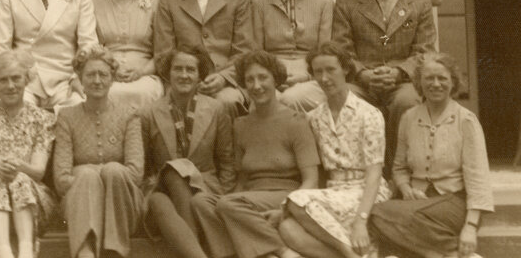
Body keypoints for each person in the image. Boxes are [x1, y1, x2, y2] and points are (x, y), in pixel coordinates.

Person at [191, 51, 321, 258]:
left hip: (285, 194)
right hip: (250, 196)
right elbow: (242, 178)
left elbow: (311, 181)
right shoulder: (241, 125)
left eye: (262, 77)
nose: (256, 85)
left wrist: (286, 209)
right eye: (249, 80)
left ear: (276, 80)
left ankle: (283, 252)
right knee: (201, 202)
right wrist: (235, 204)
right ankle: (248, 253)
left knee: (228, 204)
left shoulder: (296, 121)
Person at [371, 53, 493, 258]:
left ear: (453, 82)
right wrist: (405, 188)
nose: (435, 84)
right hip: (416, 200)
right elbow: (399, 167)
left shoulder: (466, 121)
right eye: (429, 78)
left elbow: (478, 178)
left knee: (380, 213)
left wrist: (471, 226)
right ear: (419, 82)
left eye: (442, 78)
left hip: (453, 201)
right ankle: (450, 254)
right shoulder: (409, 117)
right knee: (379, 216)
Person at [333, 0, 437, 169]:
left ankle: (400, 172)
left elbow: (425, 50)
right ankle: (356, 174)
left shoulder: (418, 2)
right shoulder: (346, 4)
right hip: (361, 81)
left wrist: (399, 72)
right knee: (345, 99)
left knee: (408, 101)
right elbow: (341, 51)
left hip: (402, 82)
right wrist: (362, 74)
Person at [280, 42, 393, 258]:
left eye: (330, 70)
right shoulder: (314, 117)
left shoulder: (368, 114)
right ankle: (351, 254)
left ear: (346, 70)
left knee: (295, 201)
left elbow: (374, 175)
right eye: (318, 72)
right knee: (287, 228)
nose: (324, 78)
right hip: (334, 192)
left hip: (367, 192)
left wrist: (361, 221)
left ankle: (347, 253)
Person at [142, 46, 235, 258]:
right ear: (167, 73)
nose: (184, 75)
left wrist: (224, 199)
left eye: (190, 70)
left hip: (203, 189)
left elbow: (227, 160)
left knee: (168, 188)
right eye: (178, 69)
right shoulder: (148, 113)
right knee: (162, 190)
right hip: (162, 187)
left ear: (200, 75)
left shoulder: (216, 109)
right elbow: (145, 164)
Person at [53, 46, 145, 258]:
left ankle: (115, 251)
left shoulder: (129, 115)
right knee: (85, 176)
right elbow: (61, 180)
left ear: (112, 79)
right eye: (90, 74)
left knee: (112, 171)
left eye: (103, 75)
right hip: (81, 204)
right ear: (80, 79)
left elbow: (135, 174)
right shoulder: (67, 117)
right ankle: (86, 253)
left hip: (123, 207)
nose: (97, 80)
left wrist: (95, 172)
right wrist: (91, 179)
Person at [0, 50, 58, 258]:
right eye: (3, 80)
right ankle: (4, 251)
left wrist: (18, 166)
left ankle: (25, 250)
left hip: (34, 202)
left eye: (16, 78)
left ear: (27, 79)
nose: (10, 86)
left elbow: (38, 172)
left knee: (20, 179)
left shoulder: (42, 119)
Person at [154, 0, 254, 118]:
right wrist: (187, 78)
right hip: (182, 80)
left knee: (227, 102)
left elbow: (245, 51)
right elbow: (163, 54)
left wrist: (224, 78)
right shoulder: (168, 0)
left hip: (226, 82)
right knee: (173, 105)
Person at [252, 0, 333, 112]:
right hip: (270, 78)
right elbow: (257, 54)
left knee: (288, 100)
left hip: (313, 78)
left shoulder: (324, 3)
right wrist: (273, 78)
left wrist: (305, 77)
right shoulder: (260, 4)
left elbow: (324, 53)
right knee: (260, 105)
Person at [93, 0, 163, 110]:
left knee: (143, 92)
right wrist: (110, 69)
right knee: (106, 93)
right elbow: (90, 48)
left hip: (145, 76)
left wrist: (142, 72)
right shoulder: (92, 5)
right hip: (104, 75)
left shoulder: (154, 3)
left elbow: (163, 52)